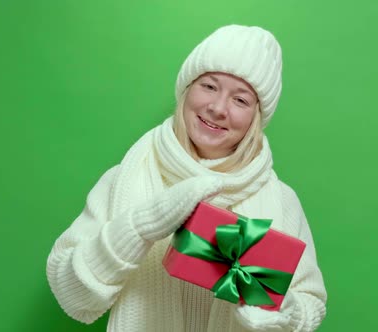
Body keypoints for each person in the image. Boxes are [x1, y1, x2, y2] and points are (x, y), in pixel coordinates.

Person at [46, 24, 327, 332]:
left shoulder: (281, 199)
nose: (218, 108)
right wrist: (141, 226)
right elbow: (71, 294)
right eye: (209, 86)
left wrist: (286, 315)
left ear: (256, 119)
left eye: (241, 100)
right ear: (186, 89)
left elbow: (311, 302)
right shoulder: (123, 180)